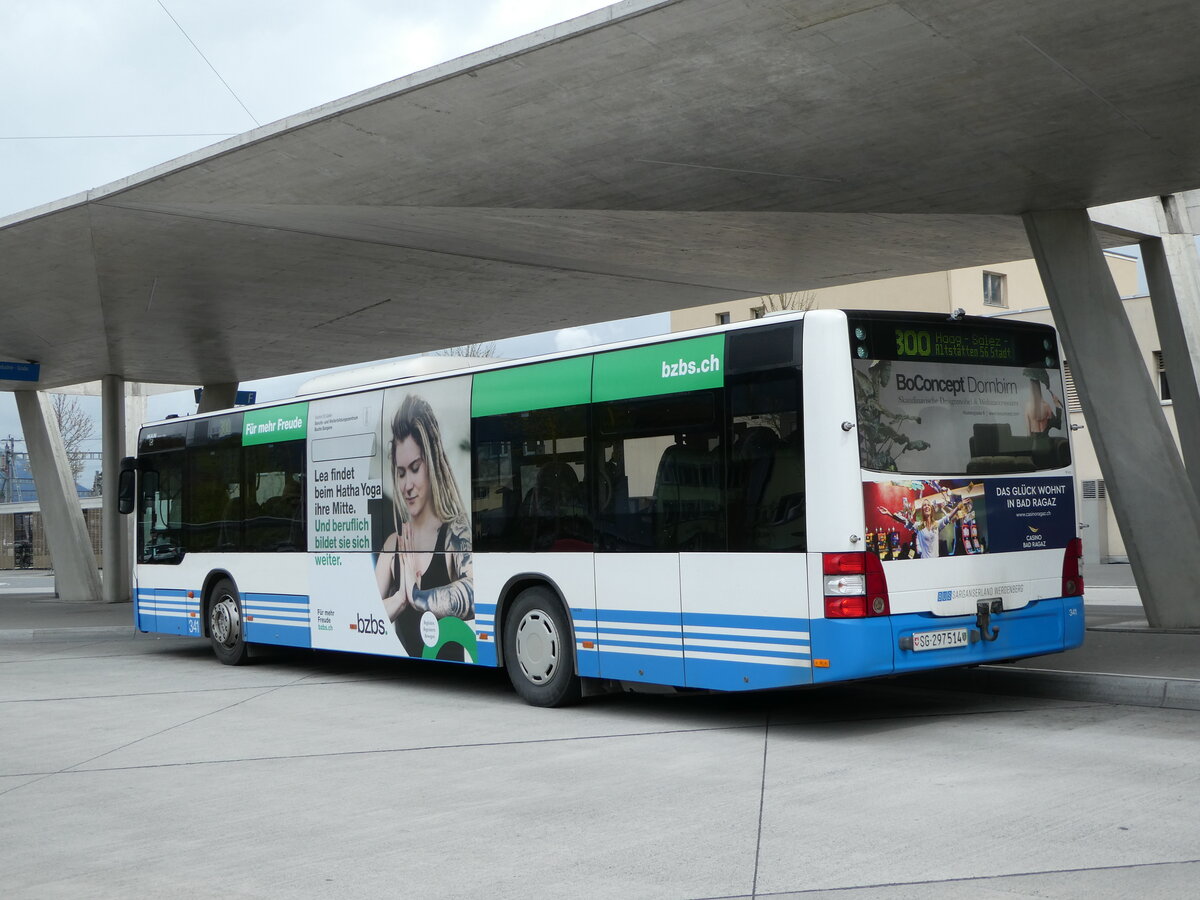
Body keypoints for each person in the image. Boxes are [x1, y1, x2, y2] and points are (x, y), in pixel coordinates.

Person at [374, 394, 473, 657]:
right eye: (401, 471)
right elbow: (364, 615)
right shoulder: (393, 546)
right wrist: (400, 598)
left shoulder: (455, 534)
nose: (407, 485)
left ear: (431, 464)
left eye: (415, 468)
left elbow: (476, 591)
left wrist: (417, 596)